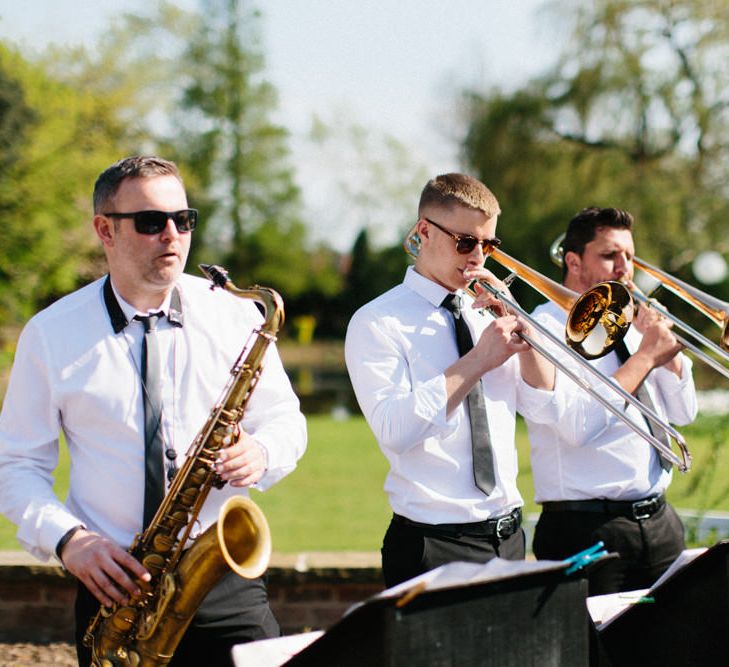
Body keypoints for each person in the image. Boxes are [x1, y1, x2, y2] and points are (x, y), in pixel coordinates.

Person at [0, 156, 307, 665]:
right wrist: (69, 541)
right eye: (150, 222)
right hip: (116, 591)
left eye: (183, 220)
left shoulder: (236, 316)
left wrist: (262, 450)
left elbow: (287, 423)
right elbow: (16, 466)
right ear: (105, 230)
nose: (172, 235)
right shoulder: (51, 335)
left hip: (225, 578)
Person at [345, 173, 570, 588]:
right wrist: (478, 360)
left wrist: (528, 335)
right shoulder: (377, 321)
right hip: (434, 543)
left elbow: (545, 407)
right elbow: (395, 430)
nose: (478, 258)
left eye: (489, 245)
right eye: (466, 243)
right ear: (424, 232)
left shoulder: (490, 308)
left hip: (509, 537)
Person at [527, 206, 697, 595]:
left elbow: (683, 414)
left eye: (630, 256)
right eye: (609, 256)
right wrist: (645, 359)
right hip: (586, 530)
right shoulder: (545, 327)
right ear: (573, 261)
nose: (625, 268)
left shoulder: (636, 321)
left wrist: (666, 359)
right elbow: (577, 427)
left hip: (659, 521)